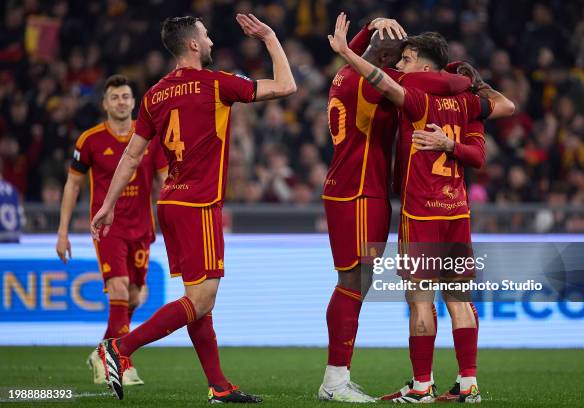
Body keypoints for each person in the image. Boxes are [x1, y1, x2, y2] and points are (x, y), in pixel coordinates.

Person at [91, 14, 296, 403]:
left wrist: (107, 204)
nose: (211, 39)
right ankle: (118, 348)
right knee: (202, 300)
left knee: (198, 303)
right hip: (198, 203)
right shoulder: (216, 84)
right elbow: (287, 84)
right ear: (193, 45)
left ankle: (219, 386)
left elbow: (132, 157)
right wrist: (270, 37)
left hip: (169, 202)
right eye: (206, 34)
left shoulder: (154, 94)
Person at [328, 13, 515, 403]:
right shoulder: (468, 103)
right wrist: (470, 82)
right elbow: (504, 109)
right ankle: (468, 385)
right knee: (460, 299)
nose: (399, 65)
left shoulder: (415, 98)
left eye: (407, 58)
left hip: (421, 212)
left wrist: (347, 50)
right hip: (457, 210)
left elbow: (379, 78)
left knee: (420, 300)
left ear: (424, 65)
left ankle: (421, 386)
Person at [56, 74, 168, 386]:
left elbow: (167, 183)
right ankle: (122, 363)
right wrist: (62, 232)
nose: (121, 102)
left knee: (135, 296)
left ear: (134, 103)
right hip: (108, 228)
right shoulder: (90, 140)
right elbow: (72, 185)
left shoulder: (150, 139)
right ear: (105, 103)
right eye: (115, 97)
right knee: (119, 289)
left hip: (142, 228)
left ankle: (101, 353)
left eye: (126, 97)